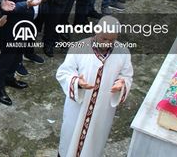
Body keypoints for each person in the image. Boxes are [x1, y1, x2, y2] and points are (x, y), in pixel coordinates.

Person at [56, 17, 133, 157]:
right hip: (78, 108)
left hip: (102, 111)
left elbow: (127, 75)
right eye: (104, 39)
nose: (108, 43)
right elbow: (63, 72)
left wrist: (122, 83)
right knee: (69, 142)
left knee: (94, 144)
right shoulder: (79, 47)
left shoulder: (123, 52)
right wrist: (77, 83)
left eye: (112, 40)